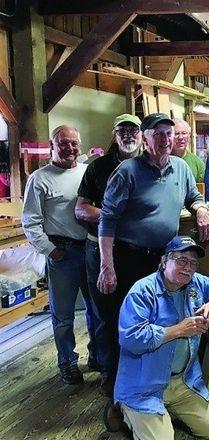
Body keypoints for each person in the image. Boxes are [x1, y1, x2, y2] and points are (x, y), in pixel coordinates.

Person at [97, 113, 209, 390]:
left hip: (164, 260)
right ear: (145, 139)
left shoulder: (181, 168)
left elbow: (193, 196)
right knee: (126, 322)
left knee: (163, 318)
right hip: (130, 258)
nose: (165, 139)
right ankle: (118, 386)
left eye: (169, 134)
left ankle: (160, 381)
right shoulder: (127, 172)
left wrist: (200, 210)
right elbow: (107, 219)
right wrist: (106, 265)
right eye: (157, 134)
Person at [106, 236, 209, 439]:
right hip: (145, 386)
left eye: (193, 263)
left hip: (183, 381)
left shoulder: (197, 283)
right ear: (164, 261)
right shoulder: (142, 291)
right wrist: (178, 330)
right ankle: (123, 408)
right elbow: (130, 338)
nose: (188, 268)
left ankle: (166, 412)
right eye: (182, 260)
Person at [22, 125, 99, 385]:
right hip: (61, 253)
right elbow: (30, 222)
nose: (69, 148)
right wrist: (51, 251)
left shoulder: (88, 172)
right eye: (63, 143)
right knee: (63, 315)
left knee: (96, 308)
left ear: (80, 145)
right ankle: (67, 362)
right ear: (52, 146)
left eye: (74, 143)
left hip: (89, 248)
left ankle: (97, 356)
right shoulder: (39, 178)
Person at [75, 113, 143, 395]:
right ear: (115, 135)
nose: (128, 135)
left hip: (138, 251)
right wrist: (111, 216)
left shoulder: (150, 166)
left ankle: (139, 368)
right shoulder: (98, 167)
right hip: (100, 250)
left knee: (140, 310)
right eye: (122, 130)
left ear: (142, 135)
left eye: (133, 130)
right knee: (105, 312)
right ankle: (109, 372)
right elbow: (81, 208)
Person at [172, 119, 205, 184]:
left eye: (184, 133)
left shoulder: (198, 163)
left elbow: (203, 190)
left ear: (189, 136)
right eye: (176, 134)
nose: (180, 137)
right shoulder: (162, 161)